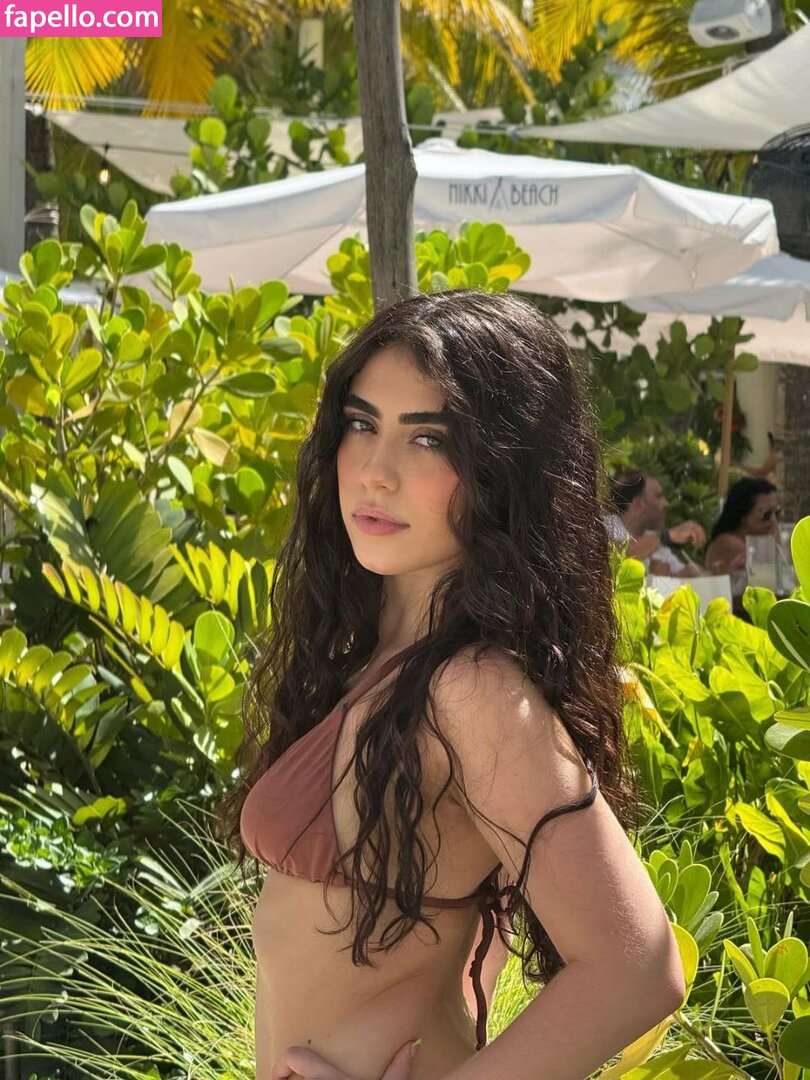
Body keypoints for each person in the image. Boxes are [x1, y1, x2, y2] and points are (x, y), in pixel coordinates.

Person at [218, 291, 686, 1080]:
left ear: (503, 471)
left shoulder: (471, 690)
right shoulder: (375, 656)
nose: (375, 472)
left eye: (429, 439)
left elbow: (637, 965)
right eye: (361, 424)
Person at [607, 471, 706, 578]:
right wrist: (668, 536)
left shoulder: (653, 538)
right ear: (639, 504)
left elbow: (680, 573)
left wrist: (687, 572)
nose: (666, 503)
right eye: (659, 497)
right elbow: (617, 554)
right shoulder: (605, 526)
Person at [704, 477, 778, 575]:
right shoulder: (729, 543)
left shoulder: (753, 541)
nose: (773, 520)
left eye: (777, 513)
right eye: (766, 514)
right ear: (742, 515)